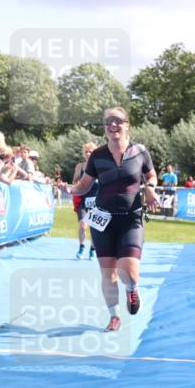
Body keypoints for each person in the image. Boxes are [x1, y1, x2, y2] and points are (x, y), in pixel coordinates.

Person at [68, 107, 160, 332]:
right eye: (108, 121)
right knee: (108, 272)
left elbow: (151, 175)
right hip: (102, 220)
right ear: (104, 128)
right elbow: (85, 185)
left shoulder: (140, 151)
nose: (113, 125)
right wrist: (71, 189)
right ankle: (114, 316)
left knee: (128, 271)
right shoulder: (97, 156)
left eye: (118, 120)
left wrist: (150, 187)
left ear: (127, 124)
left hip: (131, 219)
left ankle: (132, 289)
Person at [72, 142, 98, 260]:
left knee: (94, 227)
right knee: (83, 225)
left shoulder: (99, 166)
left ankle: (92, 250)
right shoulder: (80, 166)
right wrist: (78, 184)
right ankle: (81, 247)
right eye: (86, 152)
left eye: (90, 152)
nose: (88, 154)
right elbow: (74, 180)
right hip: (83, 199)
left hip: (97, 200)